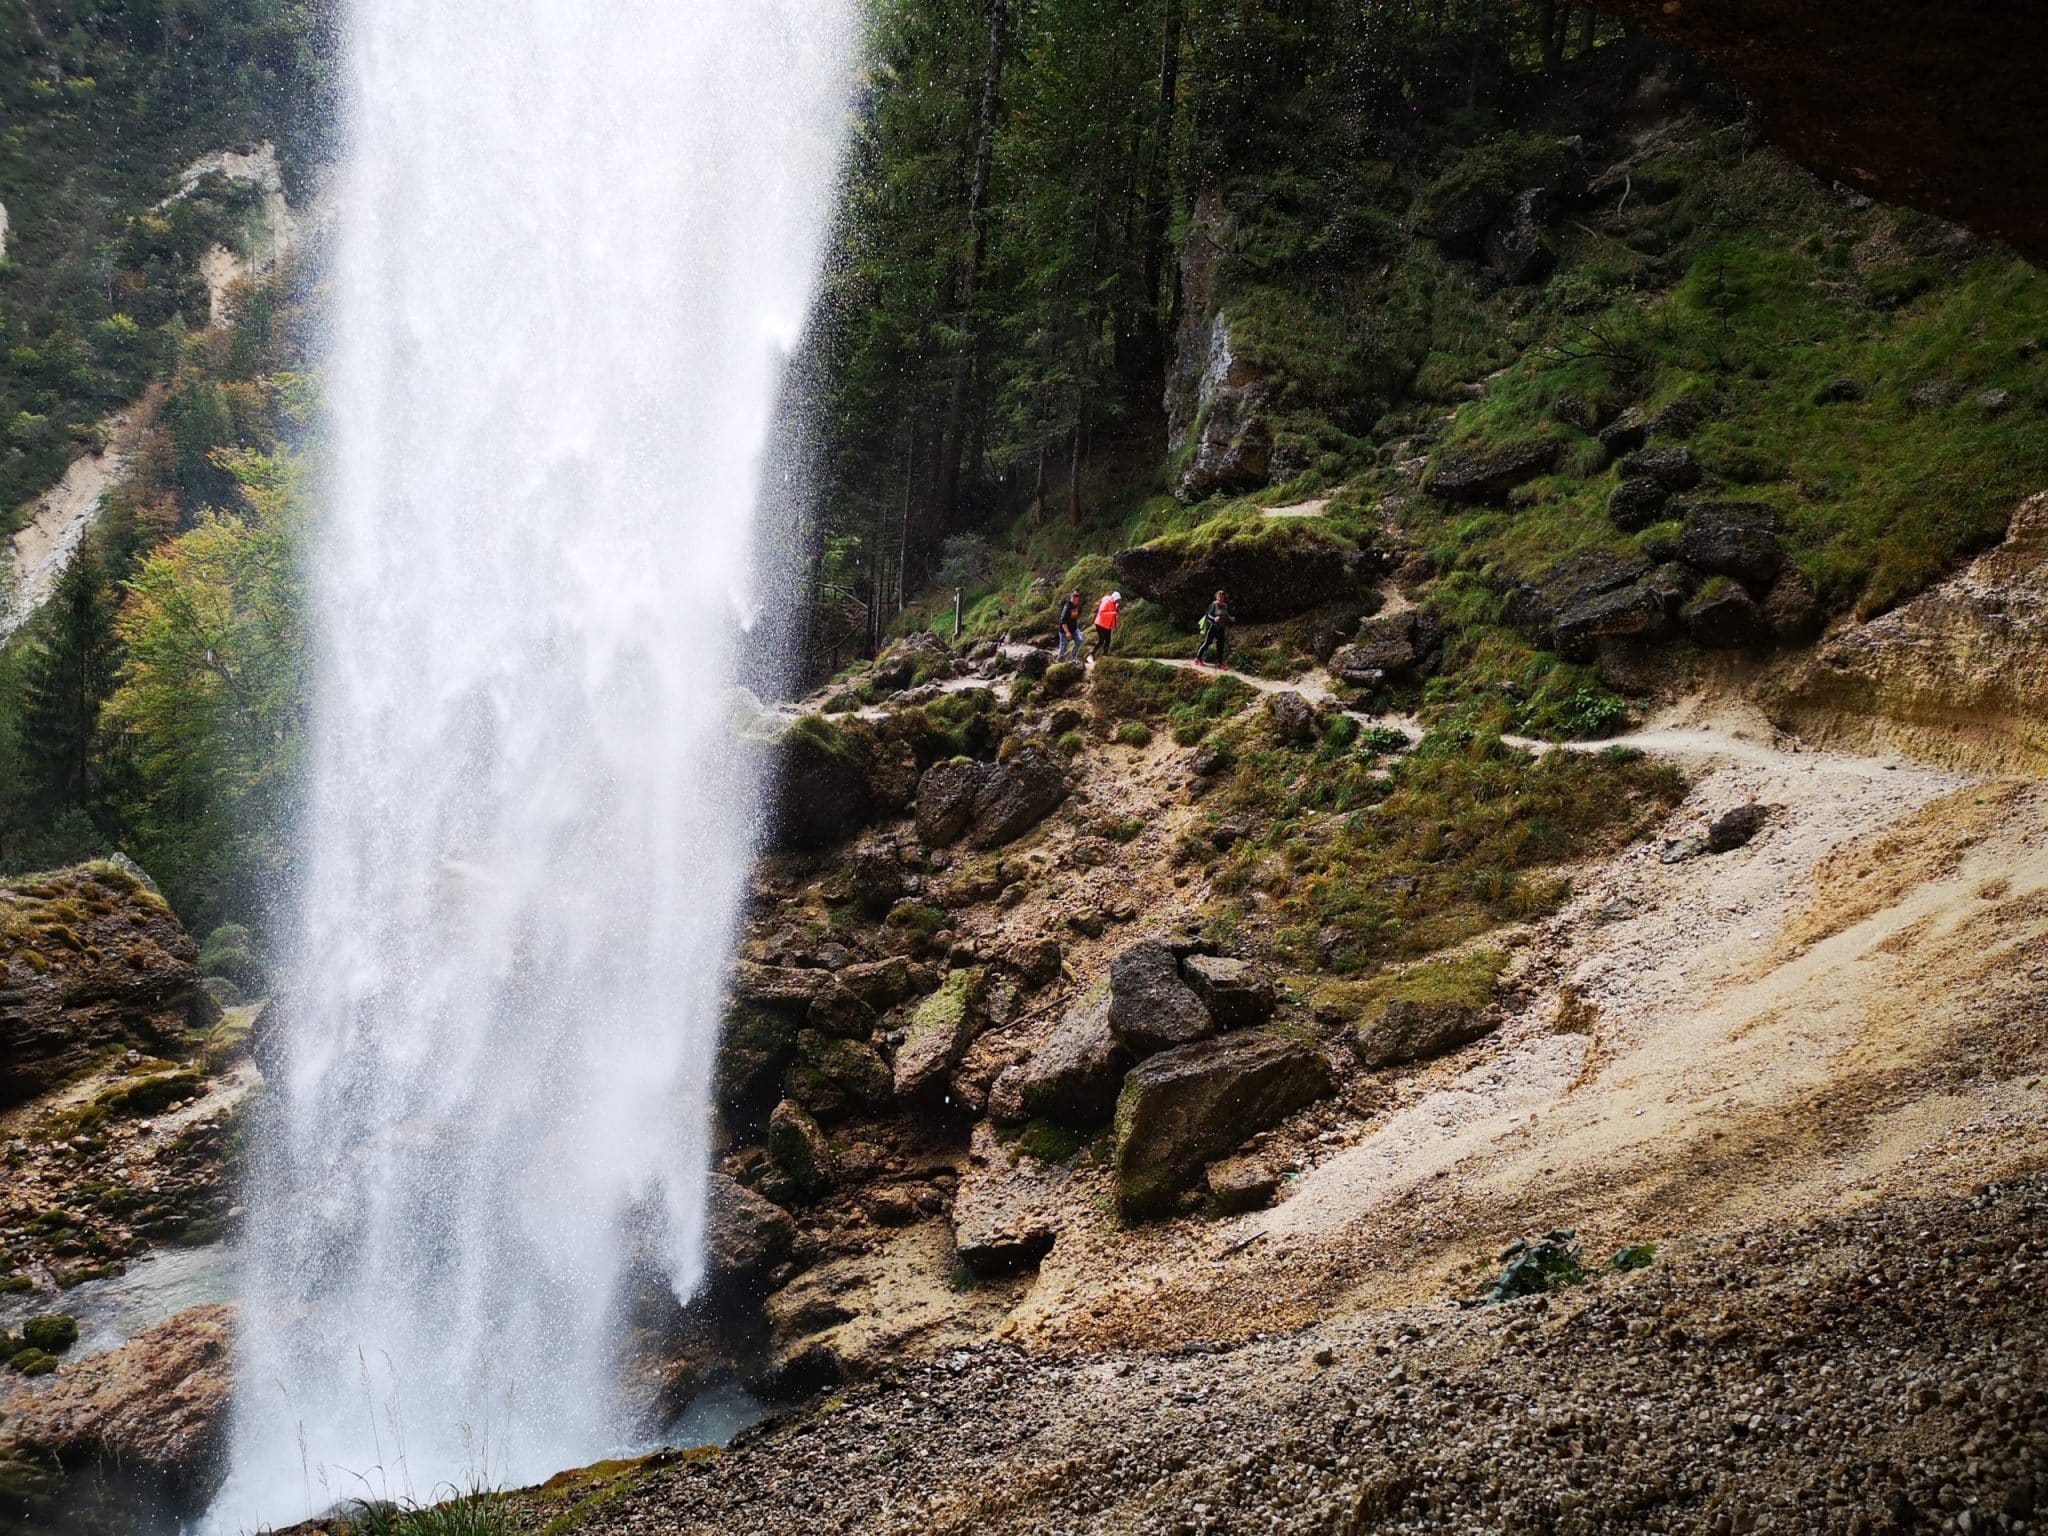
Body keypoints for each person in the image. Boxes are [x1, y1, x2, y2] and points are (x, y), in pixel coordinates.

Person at [1196, 590, 1231, 667]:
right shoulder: (1213, 605)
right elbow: (1208, 615)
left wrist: (1230, 618)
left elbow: (1226, 615)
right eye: (1219, 596)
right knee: (1207, 643)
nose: (1221, 598)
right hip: (1213, 627)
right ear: (1216, 597)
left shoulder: (1225, 605)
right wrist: (1214, 618)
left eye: (1222, 596)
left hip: (1221, 628)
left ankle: (1220, 663)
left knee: (1220, 645)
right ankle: (1198, 659)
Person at [1089, 591, 1121, 658]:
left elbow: (1115, 617)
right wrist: (1113, 613)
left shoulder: (1114, 604)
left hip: (1107, 625)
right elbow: (1101, 613)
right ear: (1114, 599)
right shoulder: (1106, 602)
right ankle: (1091, 653)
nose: (1118, 602)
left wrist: (1117, 612)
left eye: (1119, 601)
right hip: (1100, 624)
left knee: (1108, 640)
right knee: (1101, 640)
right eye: (1118, 600)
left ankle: (1105, 654)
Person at [1054, 589, 1084, 660]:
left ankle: (1073, 656)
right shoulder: (1067, 607)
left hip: (1074, 629)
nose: (1074, 598)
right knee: (1063, 647)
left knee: (1079, 640)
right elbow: (1063, 621)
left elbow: (1075, 617)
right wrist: (1067, 632)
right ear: (1071, 597)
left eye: (1076, 597)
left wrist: (1076, 629)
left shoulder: (1078, 606)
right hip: (1064, 631)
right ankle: (1059, 660)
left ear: (1078, 598)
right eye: (1073, 596)